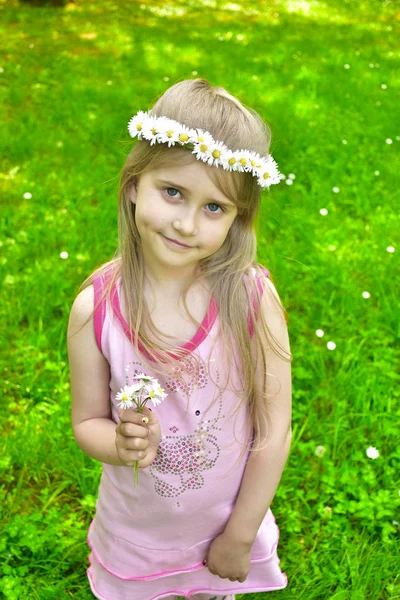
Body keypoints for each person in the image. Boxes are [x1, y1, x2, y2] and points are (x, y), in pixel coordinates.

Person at [67, 78, 293, 600]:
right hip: (138, 534)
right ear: (133, 185)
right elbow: (87, 422)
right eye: (173, 192)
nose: (187, 224)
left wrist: (239, 536)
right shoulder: (95, 310)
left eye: (215, 207)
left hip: (223, 530)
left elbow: (274, 429)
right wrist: (119, 445)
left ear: (239, 218)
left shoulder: (251, 299)